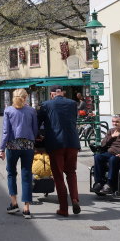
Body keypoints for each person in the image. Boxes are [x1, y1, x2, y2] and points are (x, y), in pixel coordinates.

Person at [38, 85, 81, 217]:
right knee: (71, 173)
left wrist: (38, 136)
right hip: (73, 143)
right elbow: (73, 120)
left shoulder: (45, 105)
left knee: (58, 176)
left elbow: (38, 123)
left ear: (52, 94)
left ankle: (63, 208)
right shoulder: (73, 103)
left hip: (56, 144)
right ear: (62, 93)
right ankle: (74, 199)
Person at [0, 88, 38, 219]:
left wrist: (1, 149)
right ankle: (26, 208)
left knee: (11, 173)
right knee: (26, 174)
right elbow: (35, 129)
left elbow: (6, 131)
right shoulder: (31, 111)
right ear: (26, 97)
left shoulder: (8, 110)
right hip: (28, 145)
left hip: (12, 145)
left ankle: (14, 203)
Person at [92, 114, 120, 194]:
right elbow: (103, 144)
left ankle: (109, 184)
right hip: (110, 152)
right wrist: (112, 136)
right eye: (113, 122)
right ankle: (99, 182)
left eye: (117, 122)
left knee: (112, 159)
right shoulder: (111, 131)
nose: (115, 123)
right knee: (97, 157)